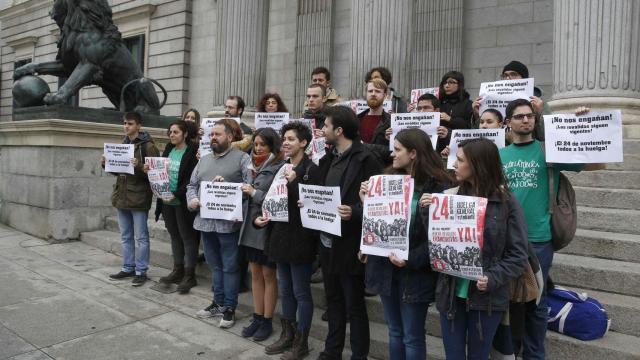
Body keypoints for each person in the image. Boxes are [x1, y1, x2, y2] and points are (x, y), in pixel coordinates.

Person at [499, 100, 605, 359]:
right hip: (507, 240)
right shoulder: (499, 155)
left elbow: (598, 163)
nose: (526, 120)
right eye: (519, 116)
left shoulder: (550, 150)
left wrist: (585, 125)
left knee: (536, 303)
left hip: (539, 240)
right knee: (510, 303)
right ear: (508, 122)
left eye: (530, 116)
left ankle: (534, 355)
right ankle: (510, 351)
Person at [428, 137, 529, 360]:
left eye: (461, 159)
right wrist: (430, 213)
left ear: (478, 165)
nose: (454, 163)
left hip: (487, 300)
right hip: (452, 294)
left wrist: (492, 277)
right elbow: (436, 243)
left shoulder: (506, 203)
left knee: (479, 356)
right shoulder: (449, 197)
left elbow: (518, 255)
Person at [360, 128, 452, 360]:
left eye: (398, 149)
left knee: (412, 336)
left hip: (415, 273)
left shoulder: (438, 186)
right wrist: (366, 205)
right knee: (394, 331)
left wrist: (410, 258)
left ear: (413, 153)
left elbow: (441, 238)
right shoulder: (387, 180)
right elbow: (378, 224)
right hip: (386, 268)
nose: (392, 154)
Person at [316, 106, 383, 360]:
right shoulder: (329, 157)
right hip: (328, 240)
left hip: (351, 242)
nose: (323, 130)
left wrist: (354, 212)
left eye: (326, 126)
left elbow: (378, 204)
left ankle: (359, 355)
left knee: (354, 304)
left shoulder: (366, 159)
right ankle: (332, 351)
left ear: (339, 130)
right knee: (332, 299)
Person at [262, 121, 320, 359]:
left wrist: (295, 181)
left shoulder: (311, 170)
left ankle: (301, 342)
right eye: (284, 138)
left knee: (301, 292)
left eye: (291, 139)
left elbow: (313, 205)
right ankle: (287, 335)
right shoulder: (281, 167)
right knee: (286, 290)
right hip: (280, 237)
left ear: (304, 143)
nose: (285, 142)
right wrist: (261, 217)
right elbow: (271, 199)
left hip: (301, 240)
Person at [188, 119, 253, 329]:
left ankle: (230, 308)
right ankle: (217, 302)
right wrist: (193, 200)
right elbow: (192, 185)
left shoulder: (243, 159)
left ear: (230, 137)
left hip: (229, 226)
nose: (213, 137)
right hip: (206, 224)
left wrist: (231, 188)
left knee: (231, 267)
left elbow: (250, 187)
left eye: (218, 134)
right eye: (211, 134)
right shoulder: (204, 160)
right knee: (215, 265)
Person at [238, 128, 286, 342]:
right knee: (255, 273)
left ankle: (267, 320)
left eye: (262, 145)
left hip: (267, 228)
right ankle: (257, 317)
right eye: (255, 144)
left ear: (272, 147)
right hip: (250, 226)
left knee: (268, 275)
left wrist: (254, 193)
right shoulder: (250, 165)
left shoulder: (280, 167)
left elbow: (279, 199)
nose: (257, 148)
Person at [102, 112, 160, 286]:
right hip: (122, 196)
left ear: (139, 126)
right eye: (125, 123)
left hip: (139, 197)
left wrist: (140, 166)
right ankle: (128, 267)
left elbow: (156, 173)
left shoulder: (148, 146)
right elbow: (119, 172)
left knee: (141, 237)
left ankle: (141, 270)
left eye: (131, 123)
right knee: (126, 235)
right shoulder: (124, 143)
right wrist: (106, 163)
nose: (127, 126)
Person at [145, 121, 199, 293]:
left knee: (188, 237)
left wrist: (176, 193)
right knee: (175, 236)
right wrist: (150, 170)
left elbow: (191, 179)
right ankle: (178, 270)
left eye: (176, 132)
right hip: (167, 201)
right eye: (170, 132)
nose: (172, 135)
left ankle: (190, 275)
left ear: (184, 134)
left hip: (182, 201)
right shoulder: (168, 149)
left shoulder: (192, 151)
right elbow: (160, 171)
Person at [441, 108, 506, 158]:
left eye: (489, 122)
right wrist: (448, 157)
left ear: (500, 125)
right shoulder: (469, 143)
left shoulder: (507, 144)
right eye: (481, 122)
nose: (484, 125)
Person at [357, 78, 392, 166]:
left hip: (380, 170)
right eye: (370, 91)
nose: (373, 94)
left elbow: (392, 152)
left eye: (377, 91)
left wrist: (363, 146)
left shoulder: (391, 122)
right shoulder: (356, 120)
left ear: (385, 95)